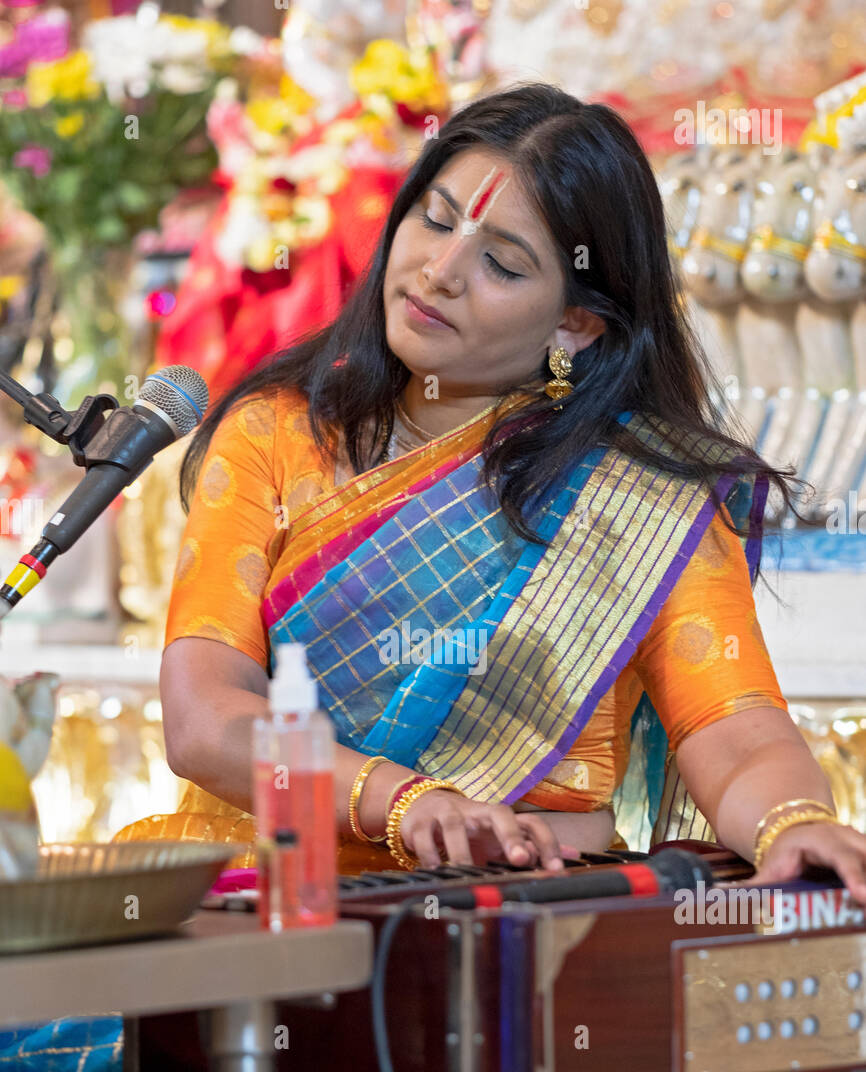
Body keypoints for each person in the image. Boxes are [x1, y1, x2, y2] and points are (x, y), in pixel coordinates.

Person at [123, 83, 866, 896]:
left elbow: (734, 729)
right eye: (435, 220)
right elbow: (204, 720)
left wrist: (795, 820)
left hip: (528, 910)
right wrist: (402, 802)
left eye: (501, 264)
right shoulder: (278, 434)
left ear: (576, 324)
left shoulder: (643, 491)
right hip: (267, 895)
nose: (439, 272)